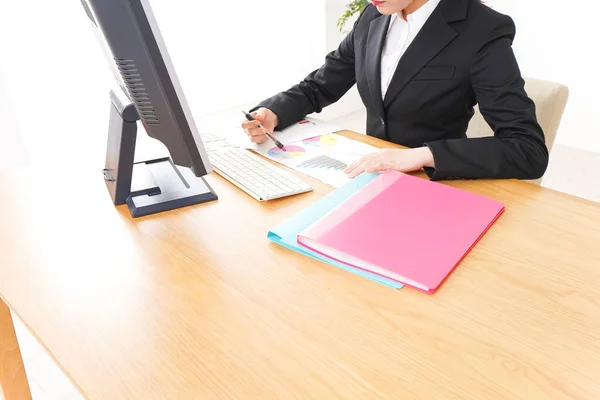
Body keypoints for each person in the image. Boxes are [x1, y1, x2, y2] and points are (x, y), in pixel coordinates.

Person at [241, 0, 548, 181]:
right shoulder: (374, 15)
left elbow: (527, 150)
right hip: (367, 175)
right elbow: (320, 86)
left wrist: (421, 156)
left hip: (434, 184)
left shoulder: (483, 28)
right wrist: (274, 113)